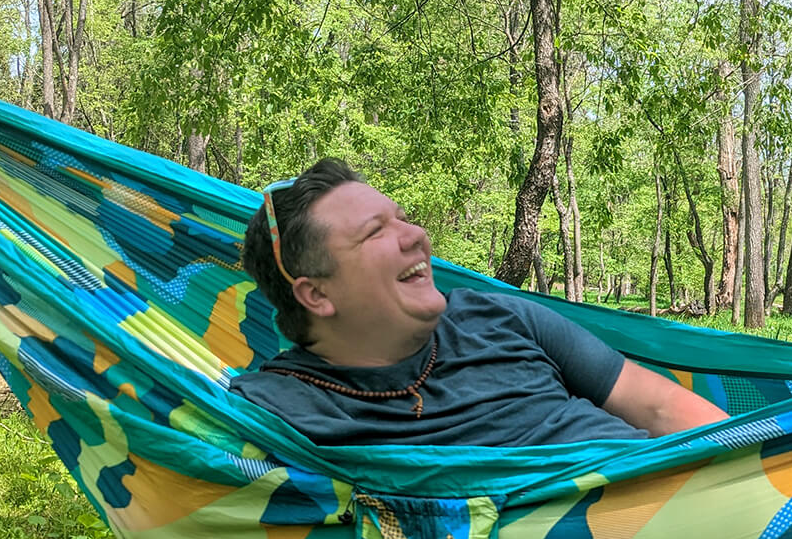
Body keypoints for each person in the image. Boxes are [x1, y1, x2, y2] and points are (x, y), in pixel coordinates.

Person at [230, 158, 727, 446]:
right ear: (316, 294)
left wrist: (763, 467)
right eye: (375, 232)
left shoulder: (503, 318)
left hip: (693, 510)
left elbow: (660, 406)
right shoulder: (277, 408)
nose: (417, 236)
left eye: (403, 218)